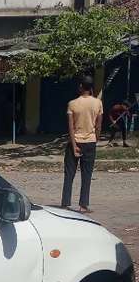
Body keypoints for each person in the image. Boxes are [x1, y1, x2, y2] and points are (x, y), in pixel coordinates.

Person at [61, 77, 103, 214]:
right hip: (90, 142)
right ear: (91, 87)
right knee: (87, 175)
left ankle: (65, 203)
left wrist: (74, 146)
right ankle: (83, 205)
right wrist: (95, 139)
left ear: (80, 87)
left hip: (75, 141)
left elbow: (71, 127)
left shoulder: (72, 104)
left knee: (69, 174)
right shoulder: (98, 103)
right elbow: (98, 125)